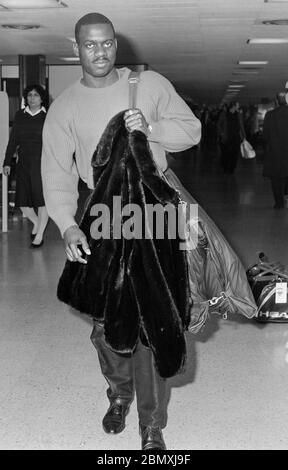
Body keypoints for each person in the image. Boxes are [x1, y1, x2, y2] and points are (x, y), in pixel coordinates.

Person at [41, 12, 201, 450]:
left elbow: (191, 130)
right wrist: (69, 226)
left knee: (153, 320)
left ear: (117, 44)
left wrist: (150, 129)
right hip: (102, 216)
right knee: (104, 323)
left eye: (107, 43)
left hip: (152, 215)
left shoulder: (149, 86)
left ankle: (151, 424)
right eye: (90, 44)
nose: (100, 51)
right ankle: (119, 393)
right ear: (76, 49)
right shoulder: (65, 107)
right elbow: (55, 171)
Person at [2, 84, 49, 247]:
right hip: (23, 162)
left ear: (42, 98)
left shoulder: (48, 116)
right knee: (22, 203)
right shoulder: (20, 115)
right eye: (29, 95)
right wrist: (7, 162)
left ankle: (40, 235)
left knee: (42, 201)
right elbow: (13, 140)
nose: (32, 98)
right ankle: (37, 223)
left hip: (42, 162)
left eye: (36, 95)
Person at [262, 92, 288, 209]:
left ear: (277, 101)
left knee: (276, 179)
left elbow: (265, 136)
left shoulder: (270, 115)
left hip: (275, 153)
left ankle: (279, 203)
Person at [218, 101, 245, 174]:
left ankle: (232, 169)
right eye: (237, 105)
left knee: (235, 153)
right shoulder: (224, 114)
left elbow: (241, 126)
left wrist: (244, 137)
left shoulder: (239, 114)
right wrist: (221, 133)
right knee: (226, 153)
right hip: (226, 137)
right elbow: (219, 125)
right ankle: (225, 167)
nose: (238, 107)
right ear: (233, 106)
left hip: (236, 137)